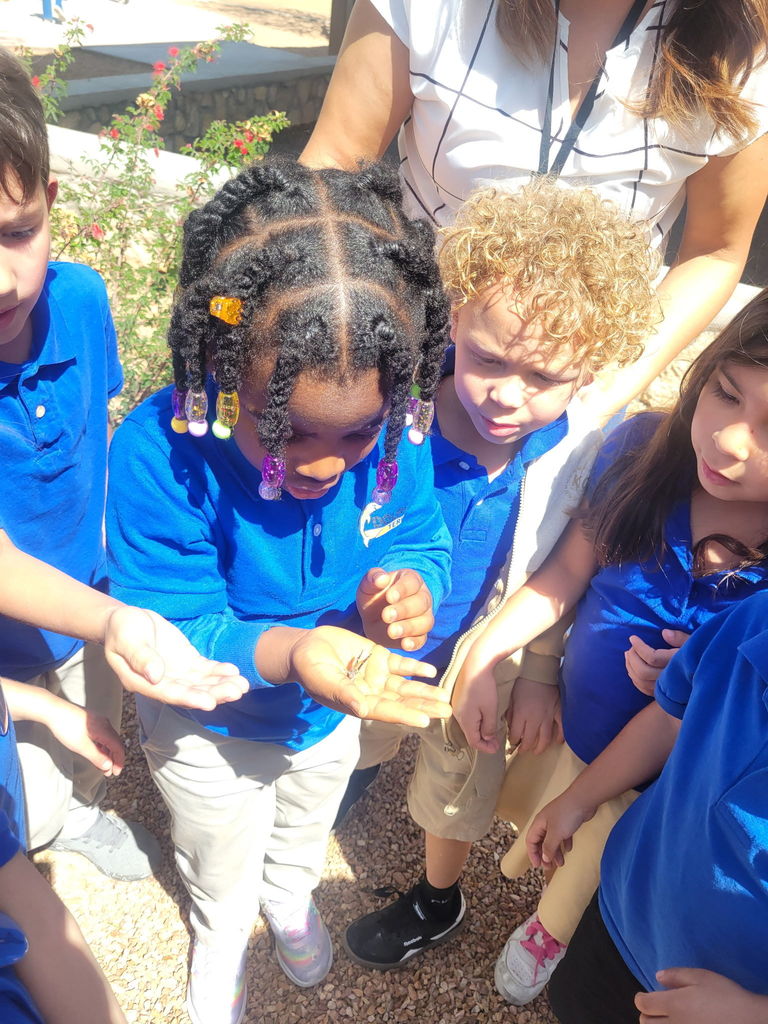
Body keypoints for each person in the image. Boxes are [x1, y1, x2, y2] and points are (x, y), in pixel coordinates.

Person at [106, 158, 456, 1024]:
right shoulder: (164, 455)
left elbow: (420, 532)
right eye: (285, 429)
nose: (329, 462)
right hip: (207, 725)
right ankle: (222, 934)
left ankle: (291, 897)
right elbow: (174, 623)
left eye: (359, 433)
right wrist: (295, 653)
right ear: (220, 364)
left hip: (329, 712)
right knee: (219, 852)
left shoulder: (393, 435)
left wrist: (415, 588)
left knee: (305, 819)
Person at [342, 176, 661, 970]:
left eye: (545, 378)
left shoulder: (580, 449)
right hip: (373, 637)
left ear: (589, 369)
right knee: (357, 736)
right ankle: (340, 790)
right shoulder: (392, 413)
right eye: (486, 359)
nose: (508, 397)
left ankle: (437, 897)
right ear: (454, 315)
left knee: (458, 791)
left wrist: (538, 671)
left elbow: (566, 569)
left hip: (490, 647)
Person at [450, 286, 768, 1005]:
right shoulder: (642, 450)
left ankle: (548, 932)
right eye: (725, 392)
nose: (727, 439)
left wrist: (699, 669)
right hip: (579, 723)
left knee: (596, 865)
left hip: (667, 784)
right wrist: (487, 654)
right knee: (545, 822)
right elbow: (566, 573)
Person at [301, 0, 768, 421]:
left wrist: (597, 396)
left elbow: (715, 251)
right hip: (390, 353)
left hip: (568, 391)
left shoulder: (745, 47)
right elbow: (334, 168)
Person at [0, 46, 164, 881]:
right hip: (5, 643)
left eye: (17, 234)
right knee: (22, 803)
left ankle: (80, 805)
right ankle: (49, 829)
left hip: (90, 590)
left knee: (96, 720)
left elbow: (105, 422)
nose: (0, 278)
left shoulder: (83, 299)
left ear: (51, 204)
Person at [0, 527, 250, 1024]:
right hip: (22, 654)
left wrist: (107, 623)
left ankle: (79, 812)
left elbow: (43, 927)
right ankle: (58, 822)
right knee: (35, 809)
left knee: (93, 730)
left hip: (80, 603)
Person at [533, 590, 768, 1024]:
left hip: (723, 1008)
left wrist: (752, 1013)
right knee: (571, 1003)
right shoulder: (754, 618)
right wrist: (578, 798)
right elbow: (670, 718)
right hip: (621, 916)